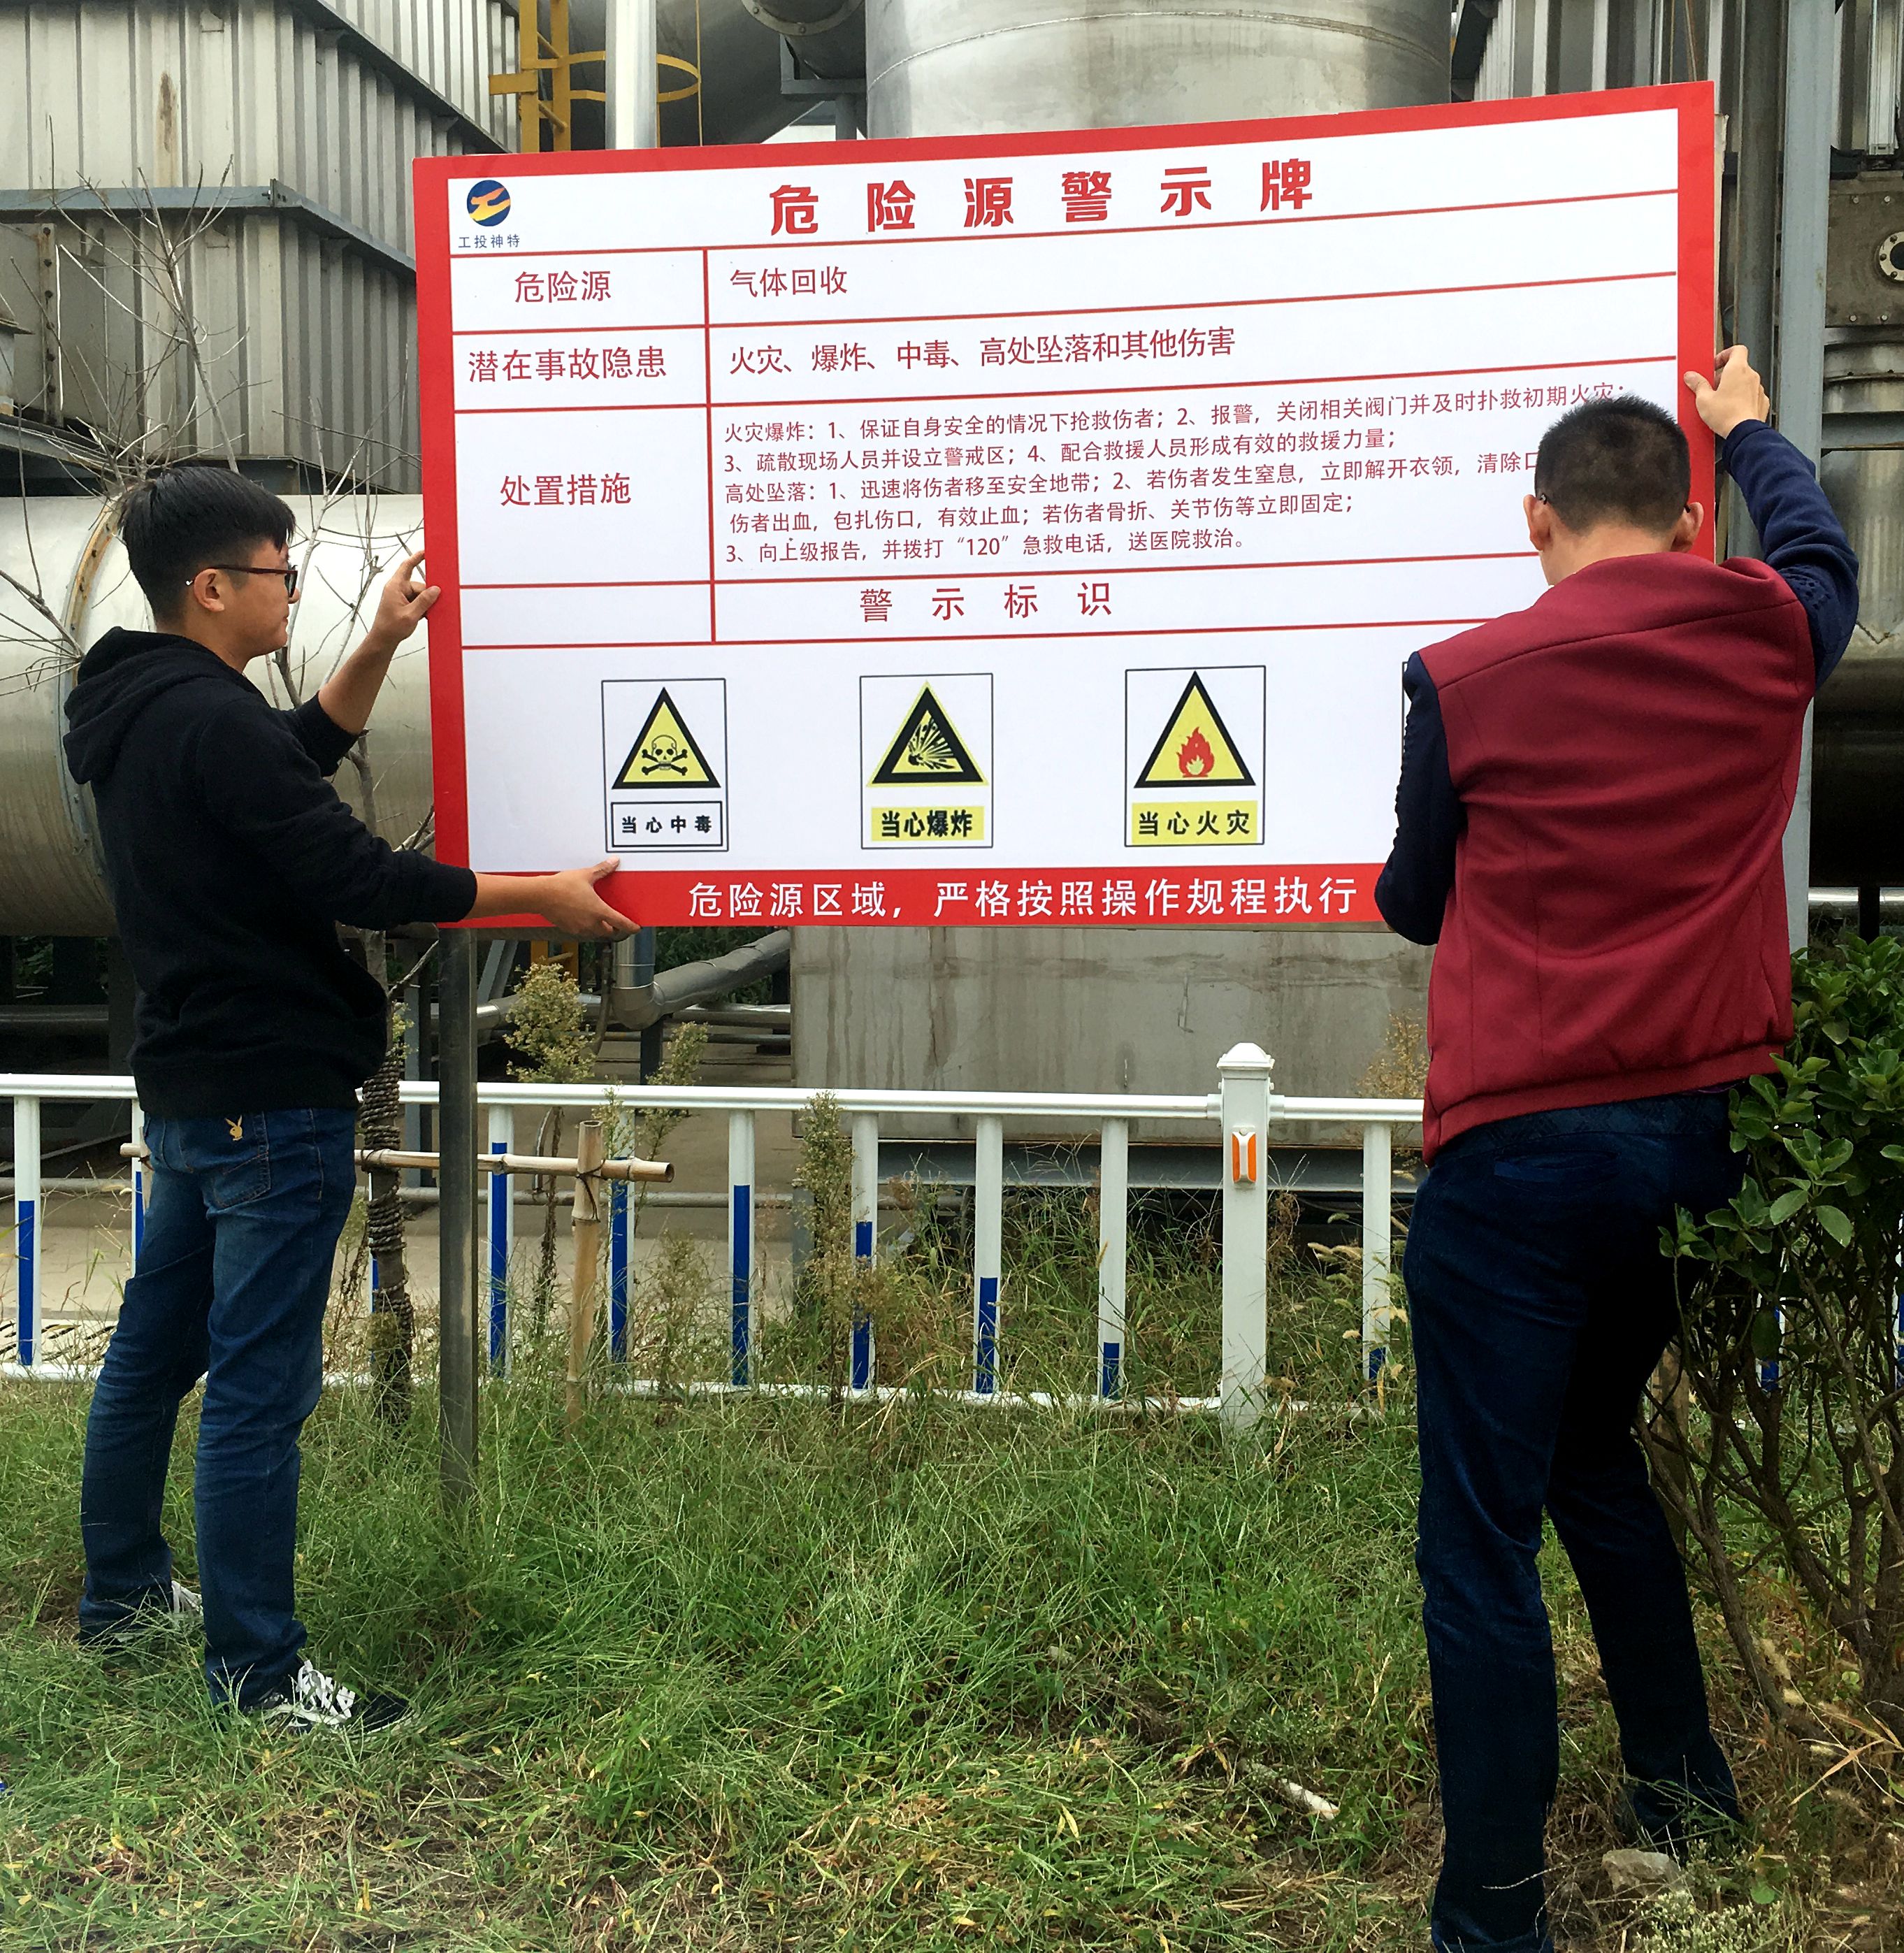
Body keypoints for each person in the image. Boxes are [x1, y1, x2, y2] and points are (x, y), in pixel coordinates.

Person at [1376, 348, 1859, 1953]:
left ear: (1539, 521)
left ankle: (1492, 1919)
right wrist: (1753, 432)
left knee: (1480, 1538)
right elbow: (1824, 555)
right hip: (1692, 1146)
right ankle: (1685, 1799)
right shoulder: (1765, 630)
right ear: (1686, 520)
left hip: (1517, 1151)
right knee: (1591, 1451)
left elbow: (1415, 898)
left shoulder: (1464, 679)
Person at [62, 463, 633, 1731]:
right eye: (277, 573)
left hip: (196, 1092)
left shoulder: (143, 703)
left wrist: (378, 642)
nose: (291, 592)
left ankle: (124, 1598)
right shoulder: (205, 719)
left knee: (154, 1355)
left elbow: (294, 755)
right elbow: (360, 876)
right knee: (258, 1390)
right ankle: (259, 1675)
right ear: (212, 588)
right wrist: (538, 896)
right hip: (272, 1100)